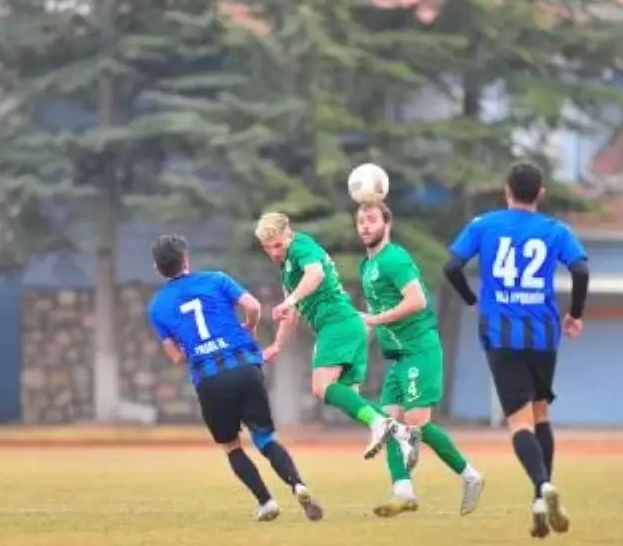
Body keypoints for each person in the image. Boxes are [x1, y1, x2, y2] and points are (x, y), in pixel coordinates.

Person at [443, 161, 587, 538]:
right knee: (541, 413)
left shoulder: (484, 225)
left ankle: (542, 487)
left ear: (507, 190)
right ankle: (540, 499)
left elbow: (451, 267)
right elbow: (581, 270)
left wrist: (471, 298)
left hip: (501, 334)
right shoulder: (556, 230)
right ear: (540, 193)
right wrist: (576, 313)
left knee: (519, 422)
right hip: (543, 334)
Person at [147, 234, 324, 523]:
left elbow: (177, 357)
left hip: (210, 379)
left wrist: (191, 345)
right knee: (265, 437)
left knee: (231, 446)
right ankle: (298, 485)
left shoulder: (157, 307)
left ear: (157, 268)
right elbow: (253, 306)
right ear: (186, 260)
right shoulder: (216, 279)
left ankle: (266, 502)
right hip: (245, 367)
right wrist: (250, 328)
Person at [255, 212, 419, 469]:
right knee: (346, 397)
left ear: (289, 233)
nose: (274, 252)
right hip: (347, 325)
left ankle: (382, 424)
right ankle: (400, 432)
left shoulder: (301, 246)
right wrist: (277, 343)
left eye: (277, 245)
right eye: (268, 248)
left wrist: (288, 300)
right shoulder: (287, 266)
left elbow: (316, 274)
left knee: (321, 387)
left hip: (337, 323)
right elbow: (291, 314)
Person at [355, 202, 486, 517]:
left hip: (419, 349)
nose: (364, 226)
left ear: (387, 224)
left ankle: (471, 476)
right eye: (360, 221)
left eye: (371, 220)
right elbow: (373, 317)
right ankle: (403, 491)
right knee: (387, 425)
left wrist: (375, 320)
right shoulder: (366, 266)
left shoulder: (394, 258)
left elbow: (417, 300)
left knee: (417, 424)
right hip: (398, 357)